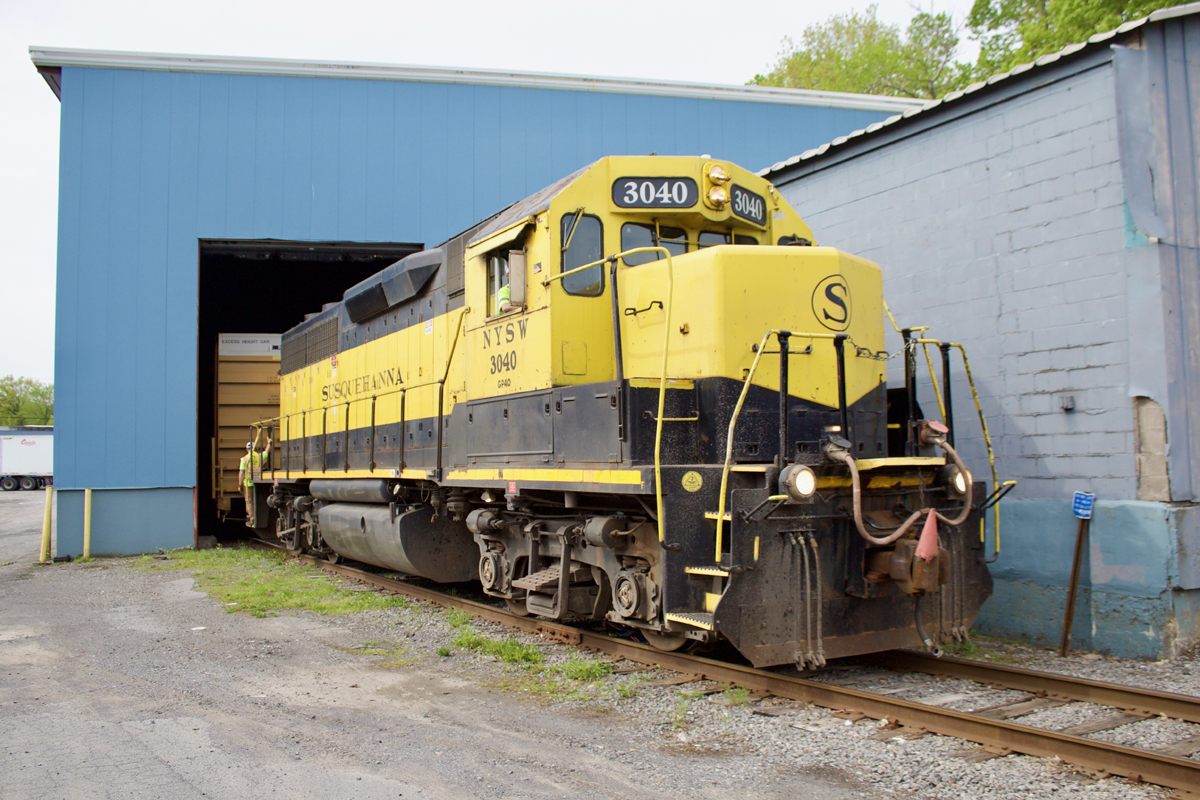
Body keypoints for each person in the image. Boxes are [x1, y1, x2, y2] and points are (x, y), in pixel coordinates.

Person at [238, 433, 271, 526]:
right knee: (257, 501)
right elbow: (266, 452)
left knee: (249, 501)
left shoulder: (245, 459)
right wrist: (269, 443)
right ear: (255, 448)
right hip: (258, 483)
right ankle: (257, 517)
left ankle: (252, 519)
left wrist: (240, 485)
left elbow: (241, 473)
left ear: (246, 449)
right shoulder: (259, 457)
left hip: (248, 484)